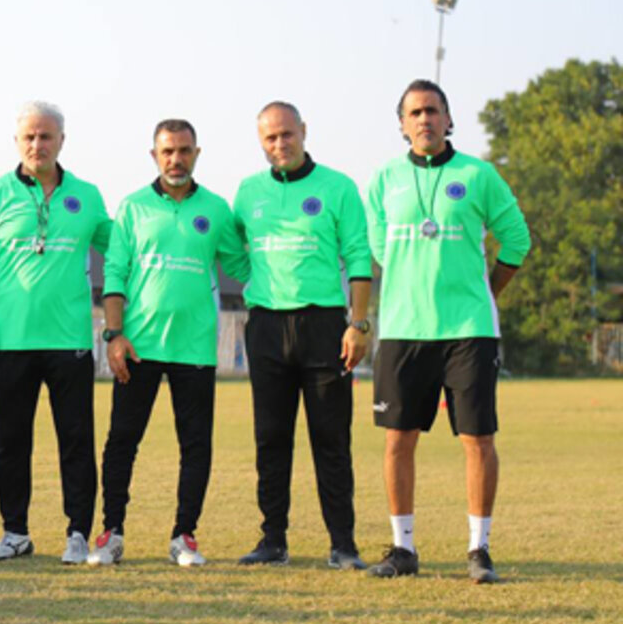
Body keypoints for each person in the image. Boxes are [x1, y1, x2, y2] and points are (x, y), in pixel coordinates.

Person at [366, 79, 530, 583]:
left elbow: (517, 240)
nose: (424, 119)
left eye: (433, 111)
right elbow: (379, 252)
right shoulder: (383, 180)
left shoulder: (478, 175)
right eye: (414, 112)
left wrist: (485, 293)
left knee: (478, 439)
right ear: (402, 125)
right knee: (398, 440)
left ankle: (479, 550)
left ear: (449, 119)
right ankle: (403, 549)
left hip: (468, 330)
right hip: (402, 329)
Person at [86, 120, 249, 568]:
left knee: (195, 445)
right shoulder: (133, 207)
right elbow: (114, 273)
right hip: (138, 347)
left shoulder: (216, 209)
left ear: (197, 153)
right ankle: (111, 533)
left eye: (183, 151)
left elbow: (241, 266)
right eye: (167, 152)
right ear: (154, 155)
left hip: (194, 349)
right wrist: (114, 335)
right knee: (122, 441)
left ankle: (184, 536)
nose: (176, 159)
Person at [0, 100, 112, 564]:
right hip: (10, 343)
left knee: (76, 442)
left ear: (62, 141)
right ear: (17, 141)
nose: (37, 144)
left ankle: (78, 533)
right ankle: (15, 532)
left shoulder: (87, 196)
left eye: (46, 136)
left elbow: (120, 251)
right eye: (29, 136)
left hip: (70, 342)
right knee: (11, 442)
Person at [232, 101, 371, 570]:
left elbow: (358, 256)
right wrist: (256, 281)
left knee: (331, 439)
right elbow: (232, 248)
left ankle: (343, 544)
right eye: (270, 138)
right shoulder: (248, 192)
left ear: (304, 131)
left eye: (287, 134)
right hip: (267, 326)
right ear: (261, 142)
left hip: (324, 326)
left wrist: (358, 323)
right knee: (271, 438)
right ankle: (272, 540)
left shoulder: (338, 187)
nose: (280, 144)